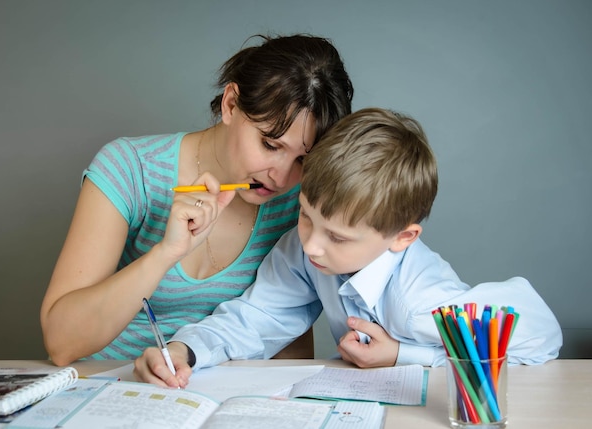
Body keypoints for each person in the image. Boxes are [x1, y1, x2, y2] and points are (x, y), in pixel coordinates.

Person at [133, 107, 562, 388]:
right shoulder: (303, 251)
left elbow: (541, 338)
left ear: (402, 238)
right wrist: (183, 350)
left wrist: (402, 354)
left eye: (337, 236)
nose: (312, 245)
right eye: (305, 216)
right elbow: (254, 317)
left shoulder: (419, 302)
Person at [40, 33, 354, 366]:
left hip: (223, 398)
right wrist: (165, 254)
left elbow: (285, 332)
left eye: (302, 160)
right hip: (112, 387)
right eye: (270, 145)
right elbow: (62, 342)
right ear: (230, 104)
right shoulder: (130, 168)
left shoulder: (302, 205)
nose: (280, 176)